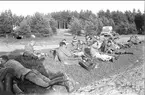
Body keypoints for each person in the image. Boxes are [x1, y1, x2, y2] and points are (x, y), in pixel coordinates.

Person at [0, 55, 69, 88]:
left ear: (4, 60)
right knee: (48, 81)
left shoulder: (6, 64)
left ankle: (63, 79)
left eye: (1, 61)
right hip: (32, 71)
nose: (0, 62)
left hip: (28, 74)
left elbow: (5, 73)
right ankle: (64, 82)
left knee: (46, 85)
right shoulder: (12, 61)